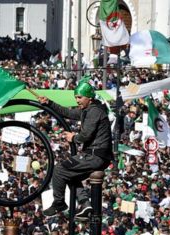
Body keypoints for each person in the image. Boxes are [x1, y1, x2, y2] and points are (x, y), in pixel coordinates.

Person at [37, 79, 113, 218]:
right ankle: (85, 204)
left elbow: (86, 134)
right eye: (76, 97)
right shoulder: (87, 110)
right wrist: (50, 103)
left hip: (95, 156)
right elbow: (69, 113)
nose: (77, 100)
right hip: (95, 155)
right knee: (70, 174)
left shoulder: (95, 111)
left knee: (60, 169)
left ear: (89, 98)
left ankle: (59, 202)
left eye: (80, 97)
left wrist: (74, 138)